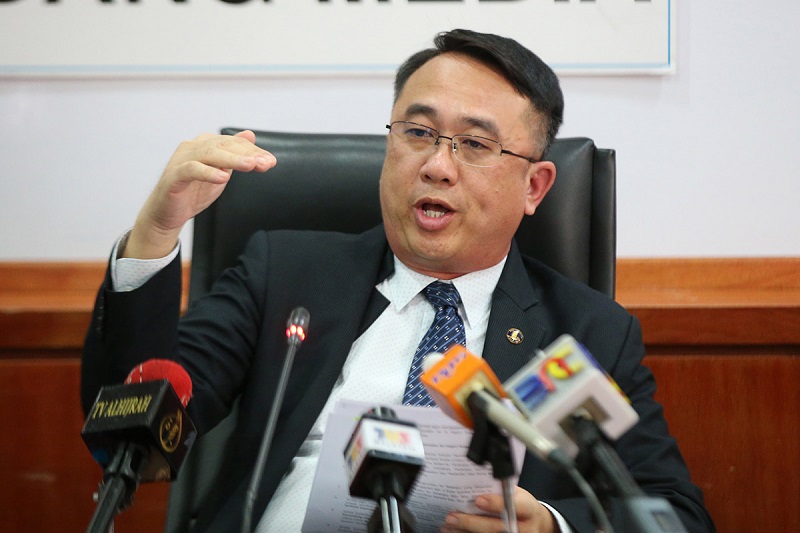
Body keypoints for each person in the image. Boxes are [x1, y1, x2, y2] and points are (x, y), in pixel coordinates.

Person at [81, 29, 715, 533]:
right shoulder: (289, 275)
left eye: (475, 144)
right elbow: (136, 416)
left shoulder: (587, 332)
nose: (437, 165)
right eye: (417, 133)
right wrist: (156, 233)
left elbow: (674, 514)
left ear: (535, 186)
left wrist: (551, 526)